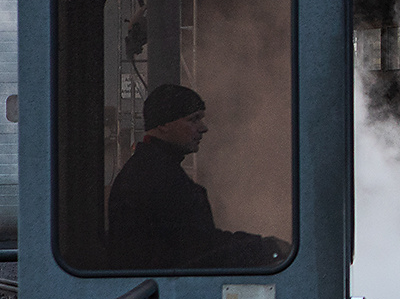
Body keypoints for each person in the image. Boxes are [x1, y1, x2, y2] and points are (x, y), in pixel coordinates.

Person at [106, 84, 286, 270]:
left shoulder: (148, 169)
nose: (203, 128)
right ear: (163, 125)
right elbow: (200, 249)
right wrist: (267, 249)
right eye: (193, 120)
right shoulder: (160, 178)